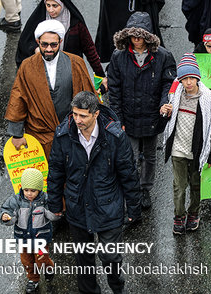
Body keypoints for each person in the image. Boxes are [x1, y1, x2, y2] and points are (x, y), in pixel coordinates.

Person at [48, 91, 141, 294]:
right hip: (77, 207)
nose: (77, 120)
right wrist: (54, 204)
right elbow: (55, 171)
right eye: (74, 114)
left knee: (110, 258)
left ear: (96, 114)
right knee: (84, 260)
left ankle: (118, 289)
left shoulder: (116, 136)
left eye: (83, 116)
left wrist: (134, 207)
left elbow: (128, 173)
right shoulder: (63, 135)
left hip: (108, 206)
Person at [107, 11, 176, 210]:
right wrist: (117, 117)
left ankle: (145, 189)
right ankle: (131, 189)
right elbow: (114, 89)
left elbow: (169, 83)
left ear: (148, 37)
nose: (137, 40)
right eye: (133, 36)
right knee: (129, 155)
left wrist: (165, 102)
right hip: (128, 117)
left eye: (141, 36)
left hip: (152, 116)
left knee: (150, 155)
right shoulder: (118, 57)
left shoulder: (163, 56)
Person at [5, 20, 96, 157]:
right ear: (37, 42)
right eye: (44, 44)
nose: (48, 49)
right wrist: (17, 134)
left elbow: (89, 98)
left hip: (71, 133)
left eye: (53, 44)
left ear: (60, 42)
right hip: (39, 136)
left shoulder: (76, 63)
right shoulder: (27, 66)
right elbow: (18, 98)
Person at [162, 53, 211, 235]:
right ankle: (179, 216)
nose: (188, 82)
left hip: (197, 152)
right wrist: (165, 110)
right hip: (178, 149)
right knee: (179, 187)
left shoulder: (209, 100)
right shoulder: (174, 95)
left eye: (191, 78)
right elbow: (167, 117)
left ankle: (194, 213)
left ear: (197, 78)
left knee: (196, 186)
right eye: (184, 79)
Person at [16, 0, 106, 87]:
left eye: (55, 6)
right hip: (44, 75)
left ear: (63, 5)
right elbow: (24, 43)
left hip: (70, 74)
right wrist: (35, 49)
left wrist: (100, 74)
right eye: (48, 5)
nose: (50, 10)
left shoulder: (75, 24)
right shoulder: (39, 20)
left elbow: (89, 49)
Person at [0, 168, 60, 294]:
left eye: (33, 190)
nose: (29, 193)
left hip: (40, 239)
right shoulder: (16, 200)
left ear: (39, 189)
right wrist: (6, 216)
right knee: (26, 261)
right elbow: (8, 211)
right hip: (23, 239)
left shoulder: (45, 200)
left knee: (41, 259)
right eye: (26, 190)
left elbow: (52, 216)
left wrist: (56, 213)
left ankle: (49, 268)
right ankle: (33, 279)